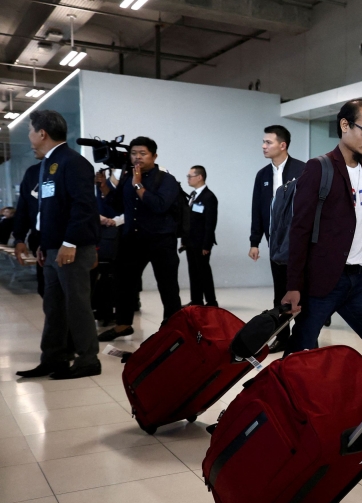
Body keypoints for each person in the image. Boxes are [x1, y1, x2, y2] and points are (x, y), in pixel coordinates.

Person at [282, 99, 362, 386]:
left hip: (360, 280)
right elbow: (299, 230)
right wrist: (293, 285)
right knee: (299, 352)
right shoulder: (319, 168)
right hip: (323, 282)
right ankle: (272, 408)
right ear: (345, 125)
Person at [12, 110, 101, 379]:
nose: (29, 136)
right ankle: (53, 358)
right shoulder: (47, 166)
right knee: (53, 307)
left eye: (30, 130)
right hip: (52, 249)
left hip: (71, 249)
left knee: (77, 305)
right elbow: (46, 211)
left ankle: (88, 360)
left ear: (42, 133)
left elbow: (84, 207)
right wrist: (42, 243)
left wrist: (69, 242)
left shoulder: (72, 162)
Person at [97, 136, 182, 341]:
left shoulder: (166, 179)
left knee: (167, 285)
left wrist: (138, 186)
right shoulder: (127, 178)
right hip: (132, 239)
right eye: (134, 153)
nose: (137, 157)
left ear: (154, 156)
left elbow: (160, 205)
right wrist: (104, 188)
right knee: (123, 283)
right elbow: (118, 207)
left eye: (142, 153)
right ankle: (123, 324)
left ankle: (174, 326)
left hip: (161, 240)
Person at [250, 125, 305, 350]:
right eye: (263, 142)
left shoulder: (303, 170)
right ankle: (282, 337)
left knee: (301, 293)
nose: (263, 146)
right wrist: (254, 241)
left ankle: (304, 338)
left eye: (268, 142)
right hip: (274, 244)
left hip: (299, 244)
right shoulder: (262, 175)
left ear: (283, 145)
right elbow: (257, 209)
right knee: (279, 294)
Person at [182, 165, 219, 307]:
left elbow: (210, 223)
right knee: (193, 271)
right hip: (191, 242)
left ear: (199, 177)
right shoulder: (192, 195)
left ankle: (211, 301)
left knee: (203, 272)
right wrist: (184, 240)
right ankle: (196, 300)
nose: (188, 179)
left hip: (201, 242)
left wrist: (206, 244)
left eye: (190, 176)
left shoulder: (209, 197)